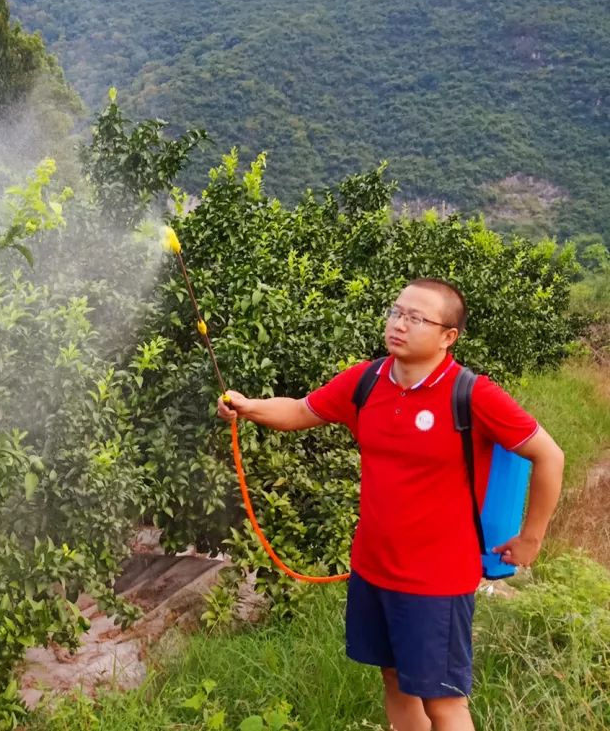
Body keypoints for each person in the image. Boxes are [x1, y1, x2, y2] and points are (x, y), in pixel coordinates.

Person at [216, 278, 564, 731]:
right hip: (374, 566)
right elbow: (302, 411)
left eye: (417, 318)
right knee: (395, 681)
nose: (400, 324)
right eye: (397, 312)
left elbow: (548, 455)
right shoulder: (366, 379)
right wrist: (247, 407)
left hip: (437, 577)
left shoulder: (471, 394)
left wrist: (532, 538)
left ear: (448, 336)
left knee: (443, 702)